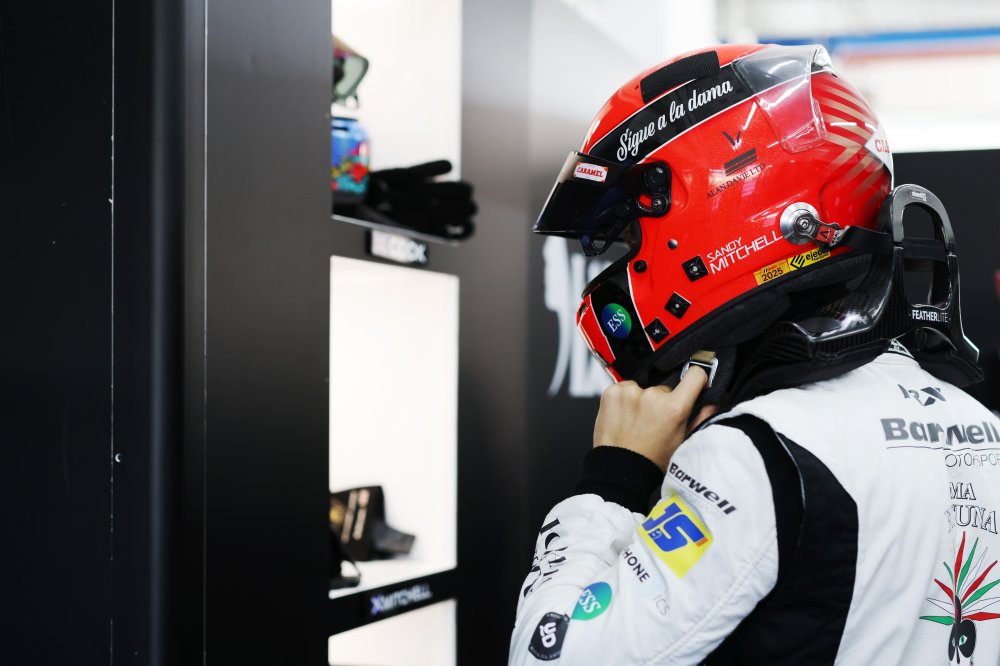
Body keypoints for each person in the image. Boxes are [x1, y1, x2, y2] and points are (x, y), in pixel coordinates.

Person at [510, 43, 1000, 665]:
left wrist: (614, 479)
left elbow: (551, 656)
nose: (626, 263)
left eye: (633, 237)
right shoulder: (980, 425)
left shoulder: (754, 453)